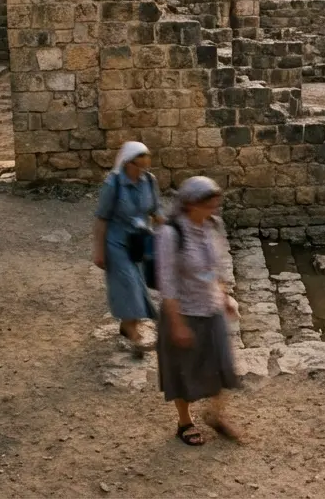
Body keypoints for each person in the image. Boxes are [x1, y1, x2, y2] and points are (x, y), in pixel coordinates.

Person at [155, 176, 241, 446]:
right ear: (191, 204)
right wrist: (177, 324)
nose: (213, 210)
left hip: (210, 306)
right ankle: (184, 422)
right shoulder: (171, 235)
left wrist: (224, 296)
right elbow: (166, 282)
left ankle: (215, 414)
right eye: (208, 205)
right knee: (182, 370)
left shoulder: (208, 227)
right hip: (184, 312)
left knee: (221, 364)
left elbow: (212, 268)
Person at [93, 141, 162, 354]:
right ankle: (134, 334)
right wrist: (99, 250)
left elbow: (155, 210)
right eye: (138, 163)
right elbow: (101, 219)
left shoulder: (149, 182)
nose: (142, 168)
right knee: (129, 284)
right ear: (128, 162)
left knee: (139, 284)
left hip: (139, 242)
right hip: (117, 242)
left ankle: (127, 325)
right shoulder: (113, 184)